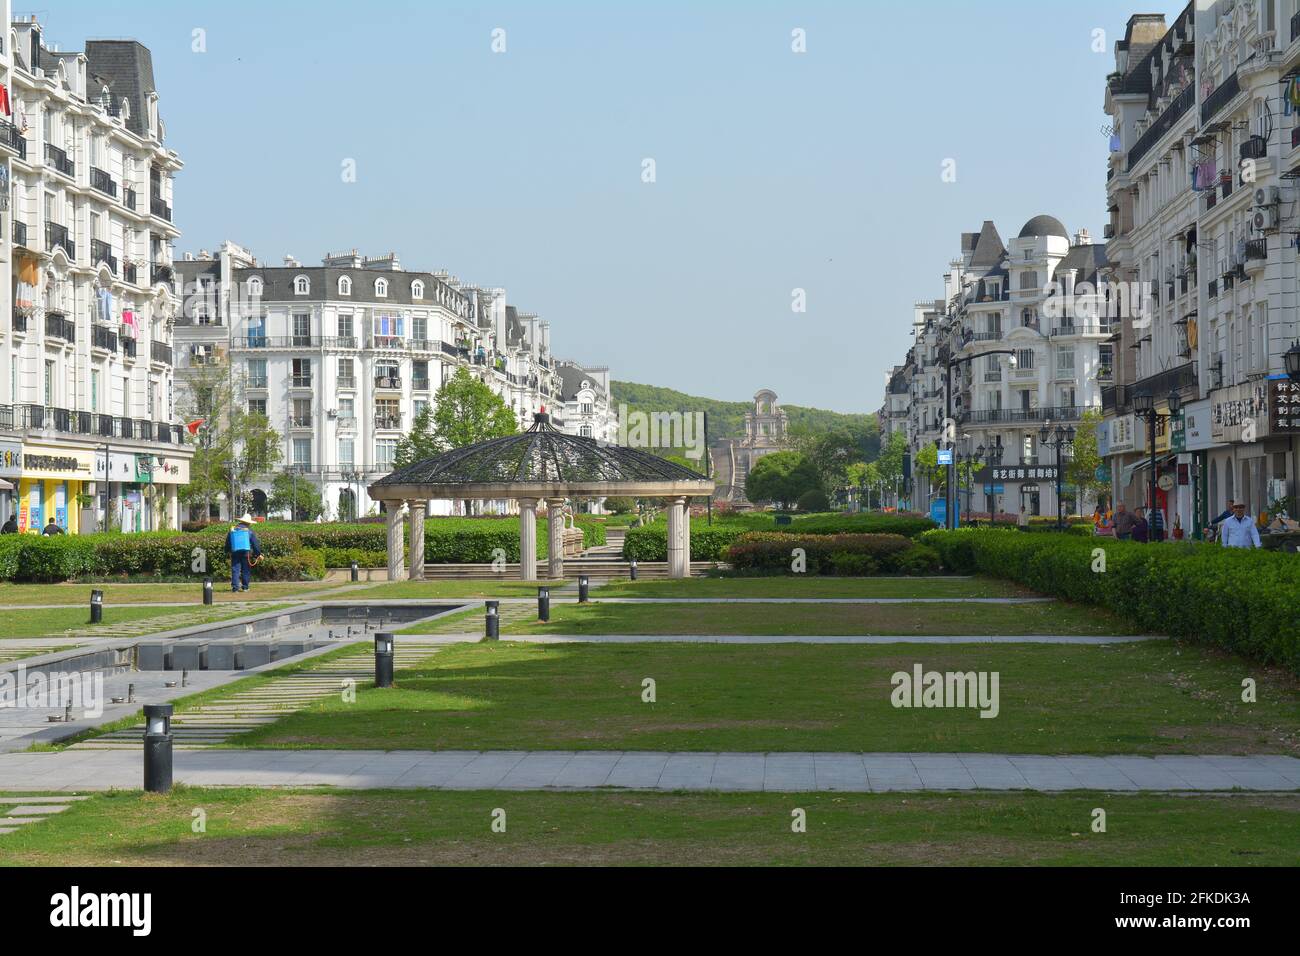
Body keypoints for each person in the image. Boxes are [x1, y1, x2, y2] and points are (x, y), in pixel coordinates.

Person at [223, 513, 263, 592]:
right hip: (246, 553)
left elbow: (228, 541)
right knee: (246, 569)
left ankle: (235, 588)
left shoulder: (233, 530)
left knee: (235, 569)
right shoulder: (249, 531)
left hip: (235, 552)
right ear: (248, 523)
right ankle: (245, 587)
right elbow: (255, 544)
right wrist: (258, 554)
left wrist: (226, 551)